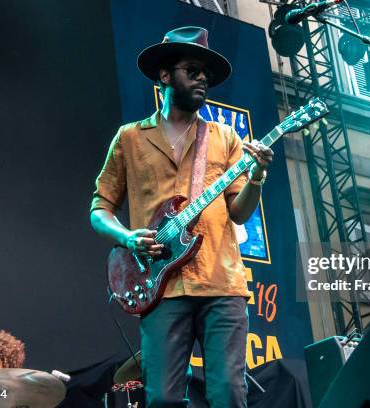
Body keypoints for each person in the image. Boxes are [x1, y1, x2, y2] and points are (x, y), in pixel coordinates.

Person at [90, 26, 273, 408]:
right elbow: (99, 208)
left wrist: (255, 176)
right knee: (163, 399)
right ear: (165, 75)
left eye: (206, 73)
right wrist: (127, 238)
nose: (203, 78)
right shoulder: (129, 139)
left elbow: (240, 213)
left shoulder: (225, 138)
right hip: (160, 289)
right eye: (193, 69)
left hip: (221, 284)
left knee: (229, 394)